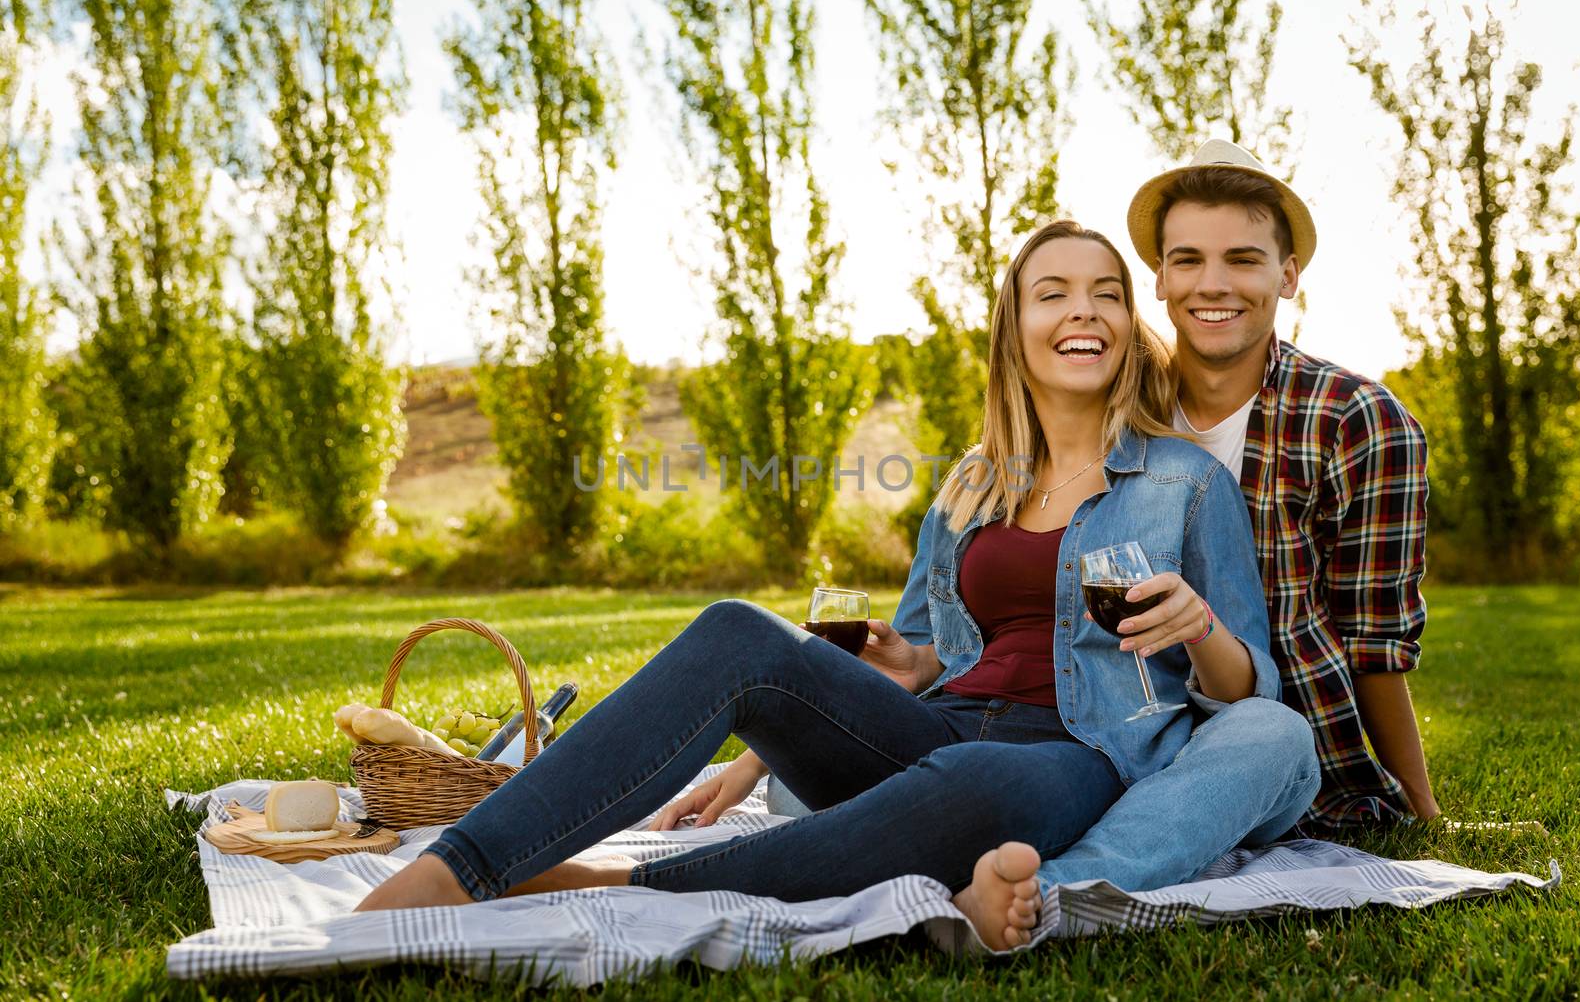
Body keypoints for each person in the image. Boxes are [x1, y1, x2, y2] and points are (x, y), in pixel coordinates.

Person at [357, 220, 1284, 951]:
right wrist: (871, 673)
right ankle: (465, 861)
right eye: (1054, 294)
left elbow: (1251, 690)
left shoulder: (1186, 482)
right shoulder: (973, 482)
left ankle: (605, 885)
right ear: (1017, 328)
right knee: (738, 630)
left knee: (972, 779)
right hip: (940, 731)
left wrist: (1197, 625)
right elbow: (921, 656)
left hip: (1073, 757)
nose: (1083, 312)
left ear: (1129, 326)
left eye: (1106, 295)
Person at [1027, 140, 1438, 895]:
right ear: (1157, 277)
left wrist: (1420, 805)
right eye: (1187, 260)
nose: (1212, 284)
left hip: (1276, 749)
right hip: (1109, 736)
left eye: (1243, 259)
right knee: (801, 788)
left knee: (1264, 739)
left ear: (1287, 275)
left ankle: (1057, 889)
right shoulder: (1110, 398)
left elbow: (1376, 643)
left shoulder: (1357, 422)